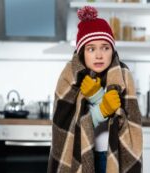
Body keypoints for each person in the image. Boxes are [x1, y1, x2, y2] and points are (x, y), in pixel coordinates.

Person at [47, 6, 142, 173]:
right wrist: (102, 107)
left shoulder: (123, 75)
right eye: (91, 48)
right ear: (82, 52)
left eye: (105, 47)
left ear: (112, 50)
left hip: (113, 156)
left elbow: (127, 121)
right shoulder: (69, 76)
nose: (99, 55)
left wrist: (98, 97)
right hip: (80, 157)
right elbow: (67, 123)